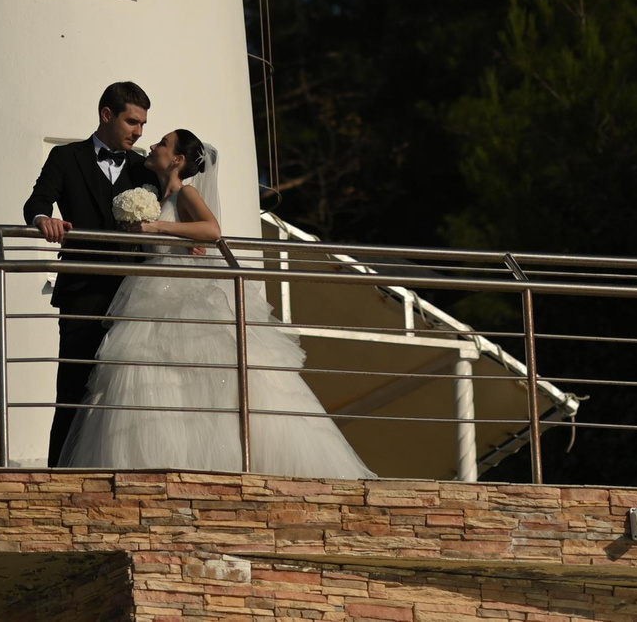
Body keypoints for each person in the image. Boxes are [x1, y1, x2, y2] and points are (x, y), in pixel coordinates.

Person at [58, 127, 375, 478]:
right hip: (147, 293)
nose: (153, 144)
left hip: (176, 296)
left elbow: (212, 231)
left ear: (177, 159)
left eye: (162, 143)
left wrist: (157, 230)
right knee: (149, 379)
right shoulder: (154, 195)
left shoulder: (185, 192)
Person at [22, 80, 157, 467]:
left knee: (128, 390)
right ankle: (56, 476)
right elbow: (36, 200)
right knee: (73, 388)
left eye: (144, 124)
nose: (139, 132)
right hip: (82, 291)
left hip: (134, 296)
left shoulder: (142, 166)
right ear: (106, 114)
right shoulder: (67, 157)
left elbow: (166, 213)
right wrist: (42, 219)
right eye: (133, 122)